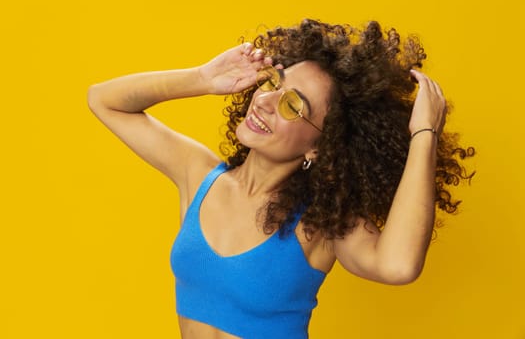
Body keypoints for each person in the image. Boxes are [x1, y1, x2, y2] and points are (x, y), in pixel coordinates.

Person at [87, 19, 474, 339]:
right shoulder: (200, 174)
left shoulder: (321, 224)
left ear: (320, 147)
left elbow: (399, 265)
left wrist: (424, 133)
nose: (265, 101)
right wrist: (203, 78)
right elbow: (103, 100)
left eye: (292, 105)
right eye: (274, 83)